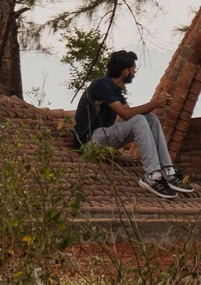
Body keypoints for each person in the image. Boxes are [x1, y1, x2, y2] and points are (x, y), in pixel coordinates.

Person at [75, 50, 196, 199]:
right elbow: (126, 114)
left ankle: (168, 170)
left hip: (102, 137)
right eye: (133, 69)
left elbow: (130, 114)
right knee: (139, 119)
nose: (134, 73)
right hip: (88, 142)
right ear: (126, 71)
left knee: (150, 119)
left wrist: (157, 104)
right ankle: (152, 174)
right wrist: (154, 103)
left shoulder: (115, 90)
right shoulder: (101, 85)